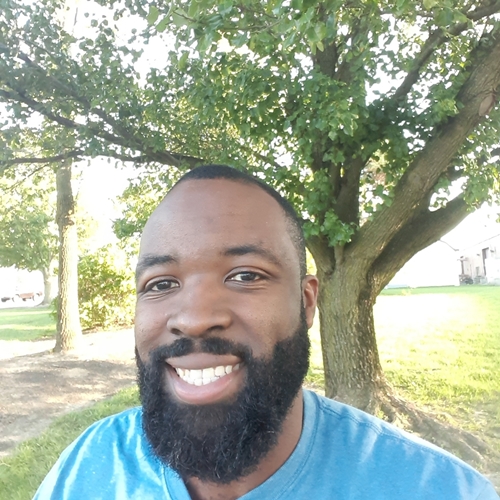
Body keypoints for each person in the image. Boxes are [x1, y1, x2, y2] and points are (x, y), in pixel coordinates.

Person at [34, 164, 498, 500]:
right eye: (161, 284)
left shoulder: (437, 489)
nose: (193, 318)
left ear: (307, 301)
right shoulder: (86, 469)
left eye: (245, 275)